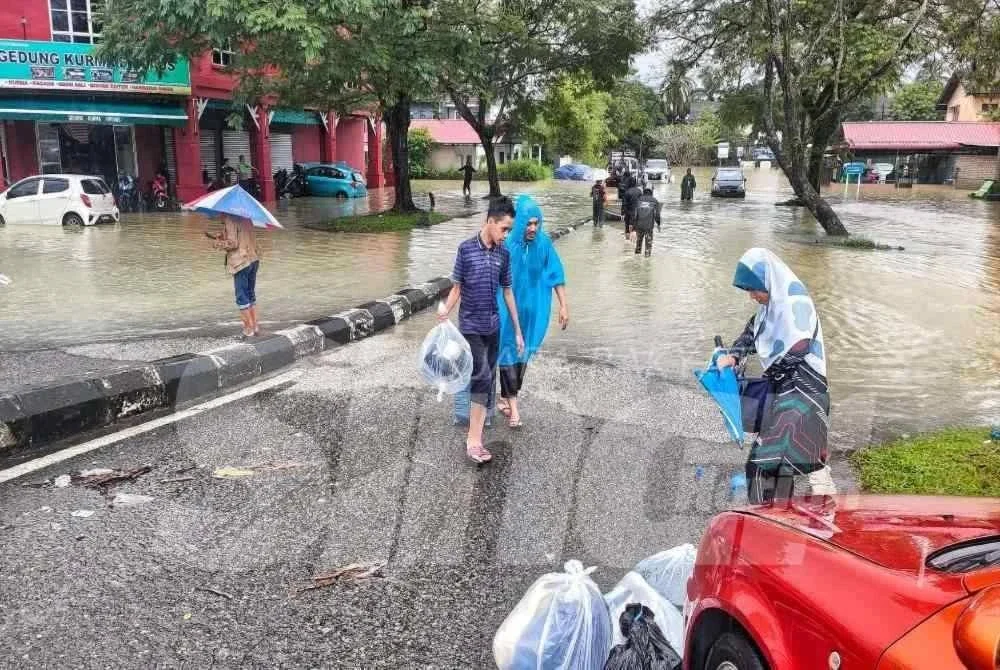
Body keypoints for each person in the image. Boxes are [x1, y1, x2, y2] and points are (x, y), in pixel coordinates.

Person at [715, 248, 836, 503]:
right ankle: (780, 521)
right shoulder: (769, 309)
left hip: (804, 396)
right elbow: (751, 333)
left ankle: (766, 524)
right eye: (747, 290)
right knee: (778, 467)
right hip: (785, 393)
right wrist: (733, 355)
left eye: (753, 289)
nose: (751, 296)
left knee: (761, 465)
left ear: (768, 282)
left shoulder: (796, 305)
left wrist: (765, 377)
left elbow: (799, 347)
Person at [439, 197, 524, 464]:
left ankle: (476, 426)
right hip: (471, 327)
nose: (506, 235)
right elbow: (457, 289)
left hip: (493, 327)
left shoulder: (504, 254)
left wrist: (518, 331)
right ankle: (473, 441)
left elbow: (508, 292)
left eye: (510, 230)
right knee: (483, 377)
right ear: (490, 221)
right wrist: (444, 313)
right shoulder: (465, 249)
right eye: (504, 229)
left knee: (485, 382)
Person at [496, 195, 569, 428]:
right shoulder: (506, 245)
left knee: (523, 354)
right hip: (507, 311)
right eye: (529, 223)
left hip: (533, 312)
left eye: (537, 223)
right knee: (508, 350)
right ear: (520, 222)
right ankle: (514, 409)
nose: (533, 228)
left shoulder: (544, 244)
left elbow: (556, 275)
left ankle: (507, 396)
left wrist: (564, 306)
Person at [211, 215, 261, 339]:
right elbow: (243, 235)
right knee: (250, 294)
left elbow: (233, 243)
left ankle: (248, 329)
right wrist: (224, 235)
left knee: (241, 297)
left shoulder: (229, 219)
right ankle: (255, 326)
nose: (218, 215)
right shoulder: (247, 217)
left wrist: (218, 244)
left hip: (241, 262)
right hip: (253, 258)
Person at [633, 188, 661, 257]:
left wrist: (633, 226)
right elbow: (657, 214)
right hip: (649, 226)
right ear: (651, 193)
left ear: (643, 193)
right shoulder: (654, 201)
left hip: (639, 226)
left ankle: (637, 257)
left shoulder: (638, 200)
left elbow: (634, 214)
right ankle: (647, 258)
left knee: (638, 243)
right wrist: (658, 224)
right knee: (648, 244)